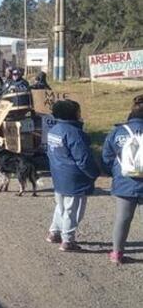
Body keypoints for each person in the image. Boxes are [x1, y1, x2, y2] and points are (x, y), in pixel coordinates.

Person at [46, 100, 99, 252]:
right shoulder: (74, 133)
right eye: (78, 111)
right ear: (73, 114)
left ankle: (54, 232)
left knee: (60, 206)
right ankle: (68, 240)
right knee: (73, 211)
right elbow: (83, 158)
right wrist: (94, 173)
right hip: (74, 178)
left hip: (58, 174)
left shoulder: (54, 130)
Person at [101, 95, 143, 264]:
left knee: (122, 219)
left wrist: (115, 173)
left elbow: (107, 157)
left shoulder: (117, 132)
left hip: (124, 183)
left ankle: (117, 253)